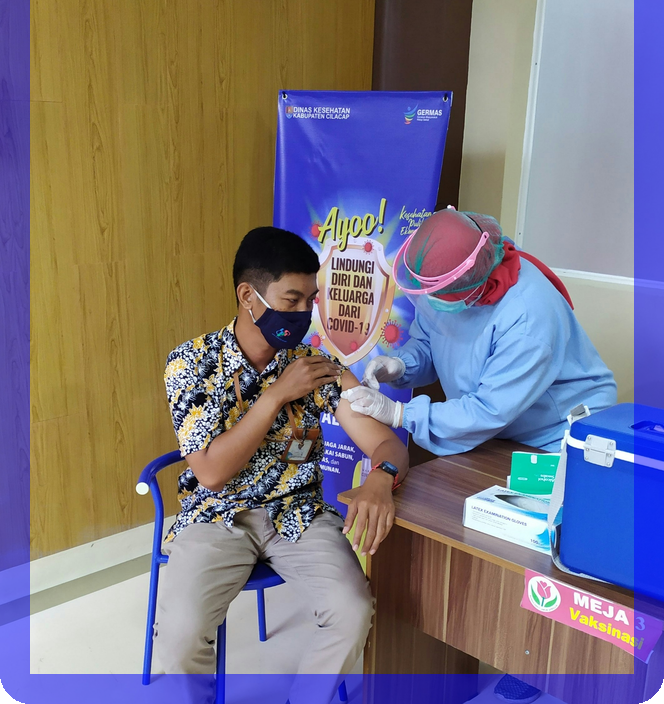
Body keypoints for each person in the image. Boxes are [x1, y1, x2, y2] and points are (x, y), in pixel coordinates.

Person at [154, 226, 409, 704]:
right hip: (217, 516)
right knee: (180, 636)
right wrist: (275, 396)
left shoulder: (315, 365)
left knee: (353, 611)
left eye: (310, 300)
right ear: (247, 296)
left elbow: (385, 443)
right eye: (291, 300)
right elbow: (210, 473)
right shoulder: (191, 364)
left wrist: (382, 477)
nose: (302, 314)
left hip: (298, 515)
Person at [342, 208, 617, 455]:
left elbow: (490, 409)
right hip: (498, 429)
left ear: (467, 284)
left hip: (556, 435)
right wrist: (401, 365)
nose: (431, 300)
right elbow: (432, 339)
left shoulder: (528, 316)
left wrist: (400, 414)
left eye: (439, 294)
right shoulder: (447, 281)